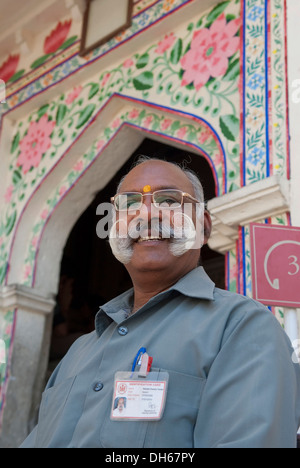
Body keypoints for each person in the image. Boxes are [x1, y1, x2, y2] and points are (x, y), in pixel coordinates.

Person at [20, 156, 300, 448]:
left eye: (168, 200)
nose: (146, 214)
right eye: (129, 203)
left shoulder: (242, 327)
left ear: (204, 227)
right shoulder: (80, 351)